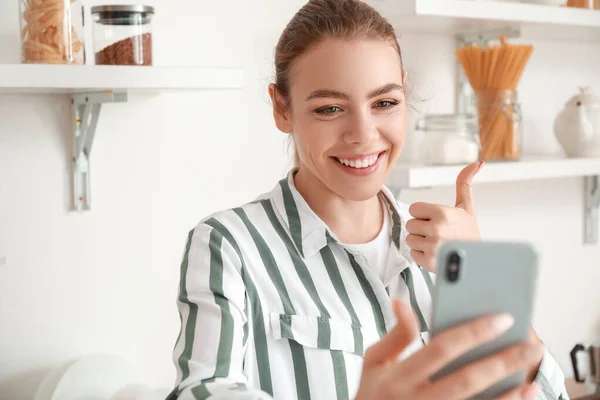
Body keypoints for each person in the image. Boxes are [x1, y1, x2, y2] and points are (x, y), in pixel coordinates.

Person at [167, 1, 569, 399]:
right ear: (281, 108)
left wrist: (483, 277)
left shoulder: (449, 248)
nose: (363, 134)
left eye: (385, 103)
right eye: (330, 108)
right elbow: (203, 390)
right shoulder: (231, 246)